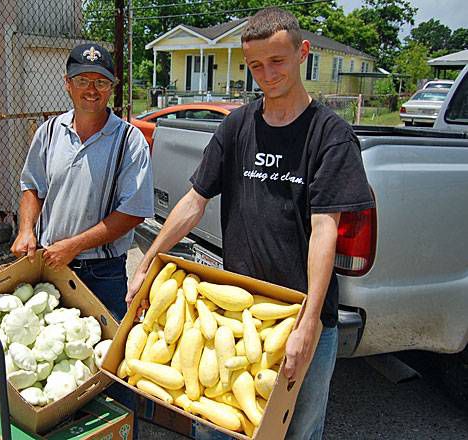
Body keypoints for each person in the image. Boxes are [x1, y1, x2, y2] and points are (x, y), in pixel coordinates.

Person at [127, 8, 374, 439]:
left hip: (301, 314)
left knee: (295, 430)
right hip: (235, 311)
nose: (266, 74)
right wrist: (148, 261)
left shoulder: (330, 135)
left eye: (276, 61)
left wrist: (309, 323)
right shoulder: (238, 125)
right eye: (256, 65)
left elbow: (324, 231)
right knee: (218, 427)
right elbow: (192, 201)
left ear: (303, 53)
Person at [12, 43, 153, 437]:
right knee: (57, 369)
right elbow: (31, 187)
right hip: (50, 269)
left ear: (113, 87)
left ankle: (121, 434)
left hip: (103, 273)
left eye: (101, 82)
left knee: (112, 371)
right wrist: (27, 230)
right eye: (82, 80)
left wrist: (74, 245)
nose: (91, 89)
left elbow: (133, 211)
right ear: (67, 85)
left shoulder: (129, 141)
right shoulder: (49, 133)